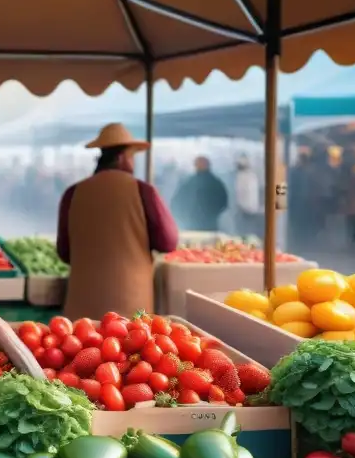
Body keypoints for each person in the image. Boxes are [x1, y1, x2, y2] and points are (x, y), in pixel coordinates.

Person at [57, 123, 178, 320]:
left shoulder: (73, 193)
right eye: (132, 157)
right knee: (129, 349)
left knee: (82, 349)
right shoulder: (143, 191)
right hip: (130, 308)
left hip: (82, 311)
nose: (133, 163)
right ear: (122, 158)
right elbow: (168, 242)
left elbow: (64, 252)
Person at [171, 156, 229, 232]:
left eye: (201, 163)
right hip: (197, 223)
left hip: (203, 224)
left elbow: (223, 202)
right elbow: (177, 201)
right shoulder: (190, 182)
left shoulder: (190, 182)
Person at [233, 154, 262, 239]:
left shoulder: (243, 176)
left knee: (244, 233)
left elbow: (241, 194)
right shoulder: (252, 176)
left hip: (245, 210)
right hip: (251, 209)